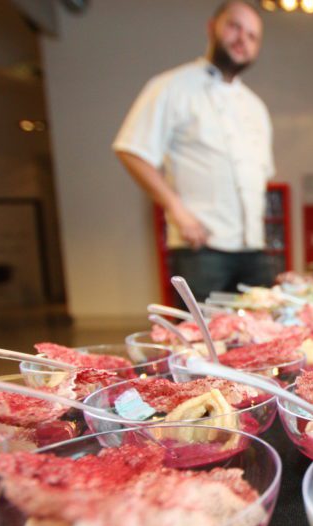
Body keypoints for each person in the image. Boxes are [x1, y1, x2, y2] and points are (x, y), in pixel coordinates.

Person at [114, 0, 276, 302]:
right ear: (212, 27)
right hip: (202, 250)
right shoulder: (172, 86)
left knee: (264, 330)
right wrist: (177, 210)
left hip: (254, 250)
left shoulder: (256, 107)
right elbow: (132, 150)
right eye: (235, 27)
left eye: (253, 36)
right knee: (200, 332)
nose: (243, 39)